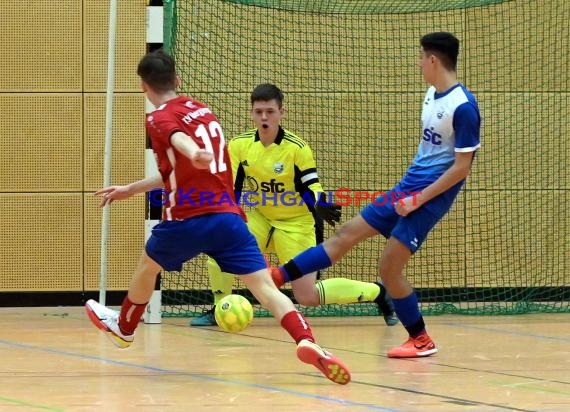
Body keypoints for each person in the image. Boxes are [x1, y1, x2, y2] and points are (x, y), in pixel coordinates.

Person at [85, 50, 351, 385]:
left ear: (143, 86)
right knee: (266, 288)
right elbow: (184, 163)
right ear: (177, 81)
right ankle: (307, 340)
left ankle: (124, 328)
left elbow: (176, 139)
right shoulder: (202, 110)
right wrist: (132, 188)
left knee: (148, 267)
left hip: (185, 217)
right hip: (228, 219)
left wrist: (192, 151)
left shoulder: (157, 118)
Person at [272, 32, 481, 358]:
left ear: (433, 60)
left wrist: (419, 199)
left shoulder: (464, 107)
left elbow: (461, 168)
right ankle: (277, 276)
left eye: (420, 57)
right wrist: (407, 192)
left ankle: (421, 339)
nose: (418, 63)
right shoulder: (431, 94)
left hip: (427, 201)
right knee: (345, 233)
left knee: (389, 269)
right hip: (404, 190)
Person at [191, 83, 398, 327]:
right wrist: (228, 218)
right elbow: (230, 189)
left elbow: (312, 184)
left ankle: (378, 292)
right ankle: (219, 307)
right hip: (260, 218)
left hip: (296, 223)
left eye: (270, 111)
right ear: (251, 113)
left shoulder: (297, 148)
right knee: (220, 244)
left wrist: (319, 202)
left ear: (282, 112)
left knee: (306, 296)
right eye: (259, 112)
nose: (264, 117)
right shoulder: (238, 145)